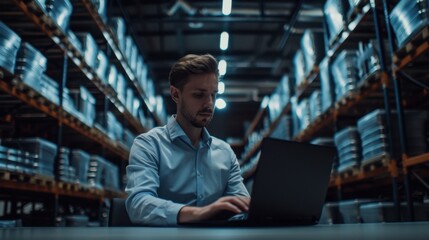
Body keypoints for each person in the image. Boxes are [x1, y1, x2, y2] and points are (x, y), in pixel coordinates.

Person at [125, 54, 250, 226]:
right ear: (176, 94)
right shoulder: (149, 145)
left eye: (213, 95)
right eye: (199, 95)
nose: (209, 104)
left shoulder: (225, 153)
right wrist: (201, 213)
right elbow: (138, 204)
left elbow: (241, 205)